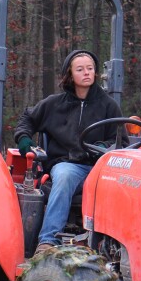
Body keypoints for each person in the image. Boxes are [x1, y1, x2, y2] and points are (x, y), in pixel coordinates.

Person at [14, 49, 122, 256]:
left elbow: (120, 140)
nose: (86, 73)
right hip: (67, 164)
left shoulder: (109, 106)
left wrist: (102, 146)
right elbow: (27, 119)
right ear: (70, 74)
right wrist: (24, 138)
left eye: (90, 68)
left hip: (99, 166)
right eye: (80, 69)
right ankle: (47, 241)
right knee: (65, 176)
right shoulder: (54, 104)